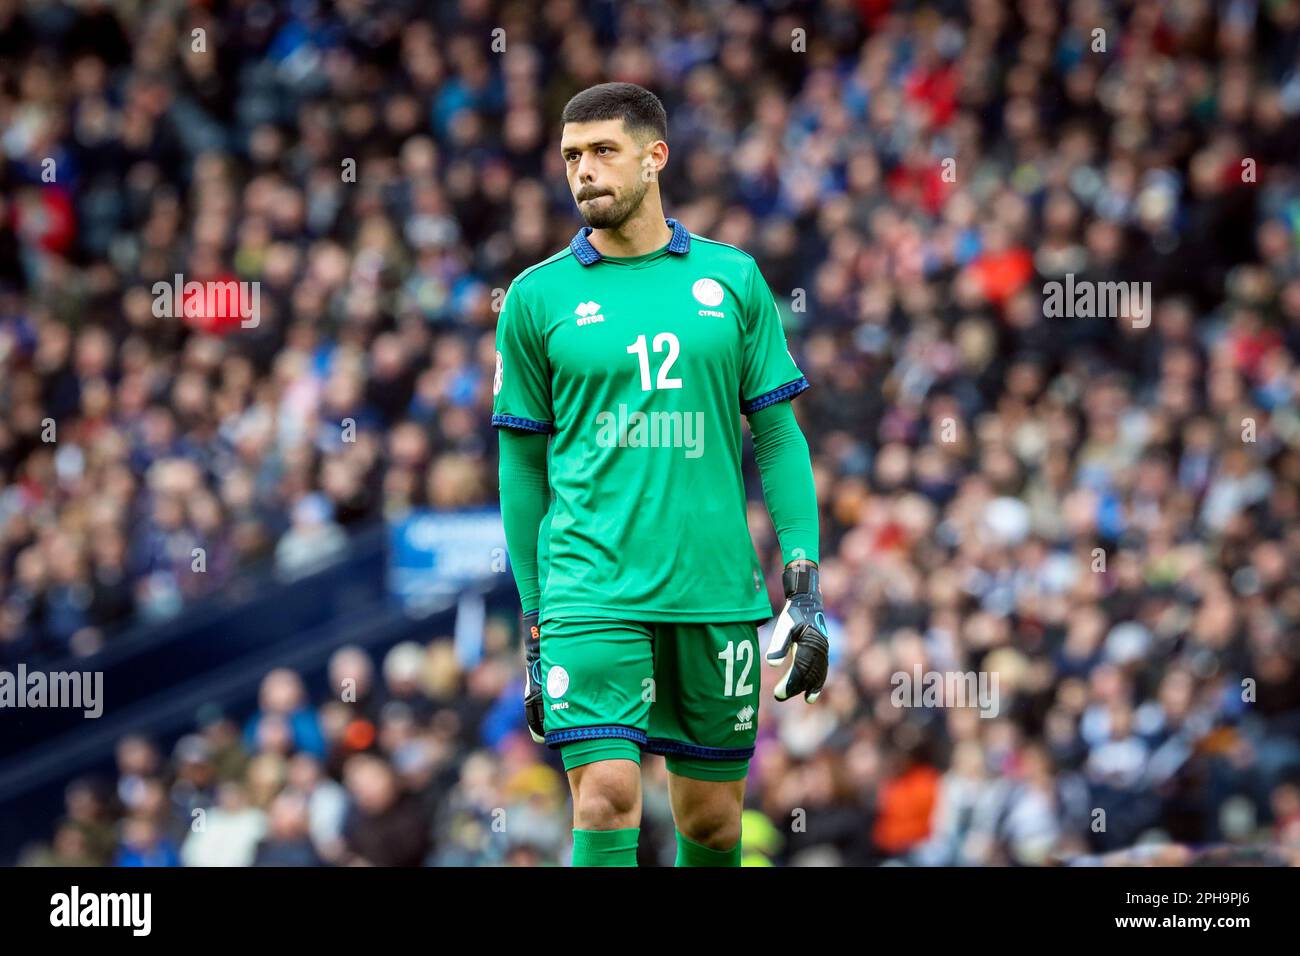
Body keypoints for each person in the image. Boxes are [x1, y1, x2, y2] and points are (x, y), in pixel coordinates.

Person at [493, 82, 829, 867]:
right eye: (571, 155)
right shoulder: (536, 298)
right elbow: (521, 465)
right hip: (590, 587)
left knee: (712, 823)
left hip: (712, 589)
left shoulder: (734, 280)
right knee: (607, 792)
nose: (583, 170)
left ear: (655, 157)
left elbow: (778, 439)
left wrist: (804, 588)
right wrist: (537, 617)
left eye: (603, 151)